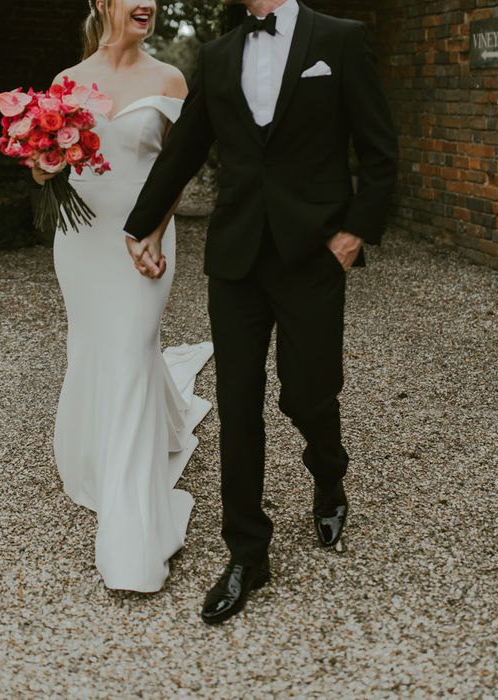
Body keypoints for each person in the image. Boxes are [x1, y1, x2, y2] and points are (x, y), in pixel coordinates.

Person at [124, 0, 399, 623]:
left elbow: (381, 149)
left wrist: (353, 235)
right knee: (237, 401)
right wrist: (140, 226)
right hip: (237, 257)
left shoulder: (342, 40)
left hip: (313, 254)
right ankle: (248, 552)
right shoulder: (218, 54)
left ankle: (329, 477)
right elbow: (185, 148)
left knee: (308, 392)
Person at [33, 0, 213, 593]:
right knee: (91, 345)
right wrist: (39, 159)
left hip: (145, 238)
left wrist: (153, 230)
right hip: (81, 241)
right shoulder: (67, 83)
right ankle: (96, 459)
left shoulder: (170, 79)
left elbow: (181, 166)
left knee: (134, 349)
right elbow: (47, 171)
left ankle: (132, 525)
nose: (148, 4)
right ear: (100, 3)